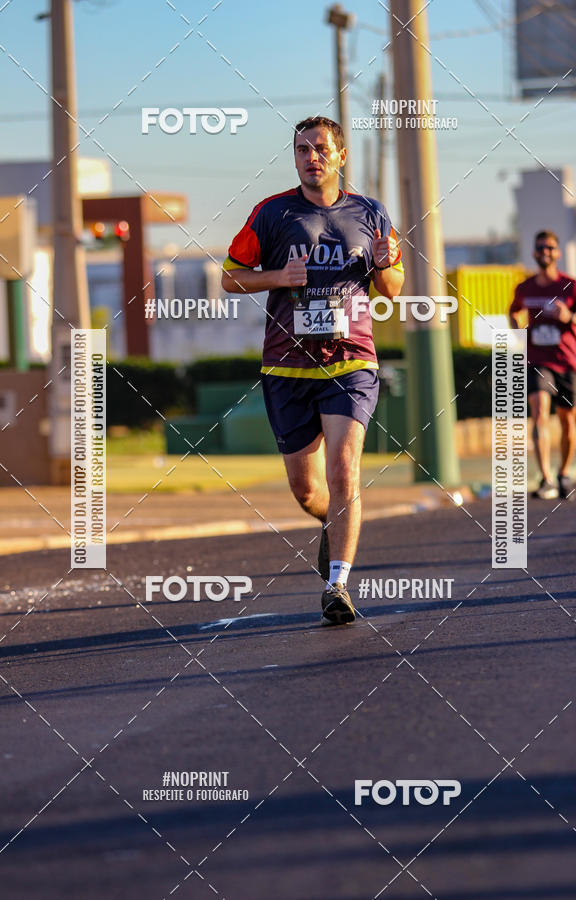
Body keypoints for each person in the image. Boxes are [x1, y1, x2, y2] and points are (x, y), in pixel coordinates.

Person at [222, 116, 404, 625]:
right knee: (307, 490)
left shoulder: (369, 213)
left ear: (341, 157)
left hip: (351, 361)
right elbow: (228, 279)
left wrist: (388, 263)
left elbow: (392, 287)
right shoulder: (272, 213)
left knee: (344, 469)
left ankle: (338, 585)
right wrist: (279, 276)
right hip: (287, 366)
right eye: (302, 149)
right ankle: (334, 524)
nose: (311, 157)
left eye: (321, 149)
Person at [509, 230, 576, 500]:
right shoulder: (525, 289)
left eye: (549, 247)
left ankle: (563, 472)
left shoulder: (573, 287)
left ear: (557, 253)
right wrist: (517, 326)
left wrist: (570, 316)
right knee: (539, 411)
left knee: (567, 420)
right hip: (538, 360)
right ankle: (546, 477)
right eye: (540, 248)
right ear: (534, 253)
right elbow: (513, 310)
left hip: (569, 363)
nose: (544, 252)